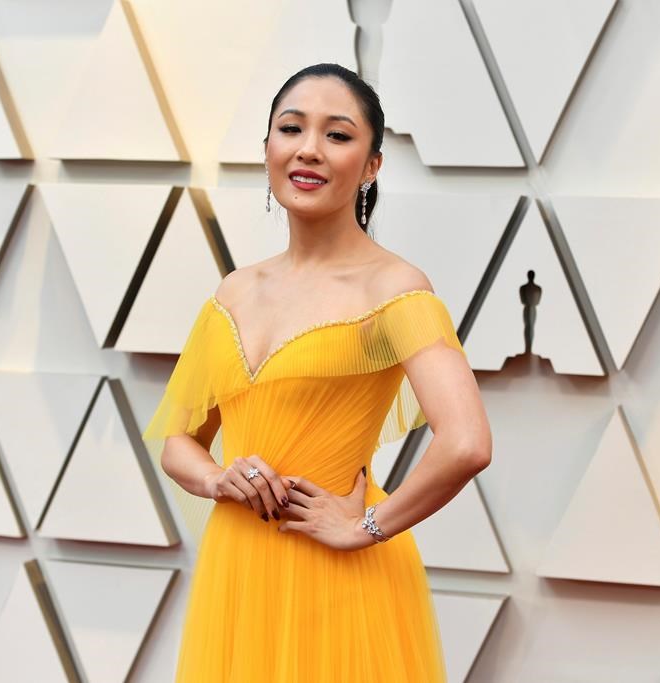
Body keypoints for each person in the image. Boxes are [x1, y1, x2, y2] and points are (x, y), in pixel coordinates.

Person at [143, 62, 492, 682]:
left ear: (373, 164)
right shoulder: (234, 291)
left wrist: (366, 526)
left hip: (337, 572)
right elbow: (178, 443)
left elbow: (466, 443)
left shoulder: (395, 288)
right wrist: (220, 479)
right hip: (237, 567)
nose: (309, 149)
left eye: (337, 134)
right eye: (291, 128)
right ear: (268, 148)